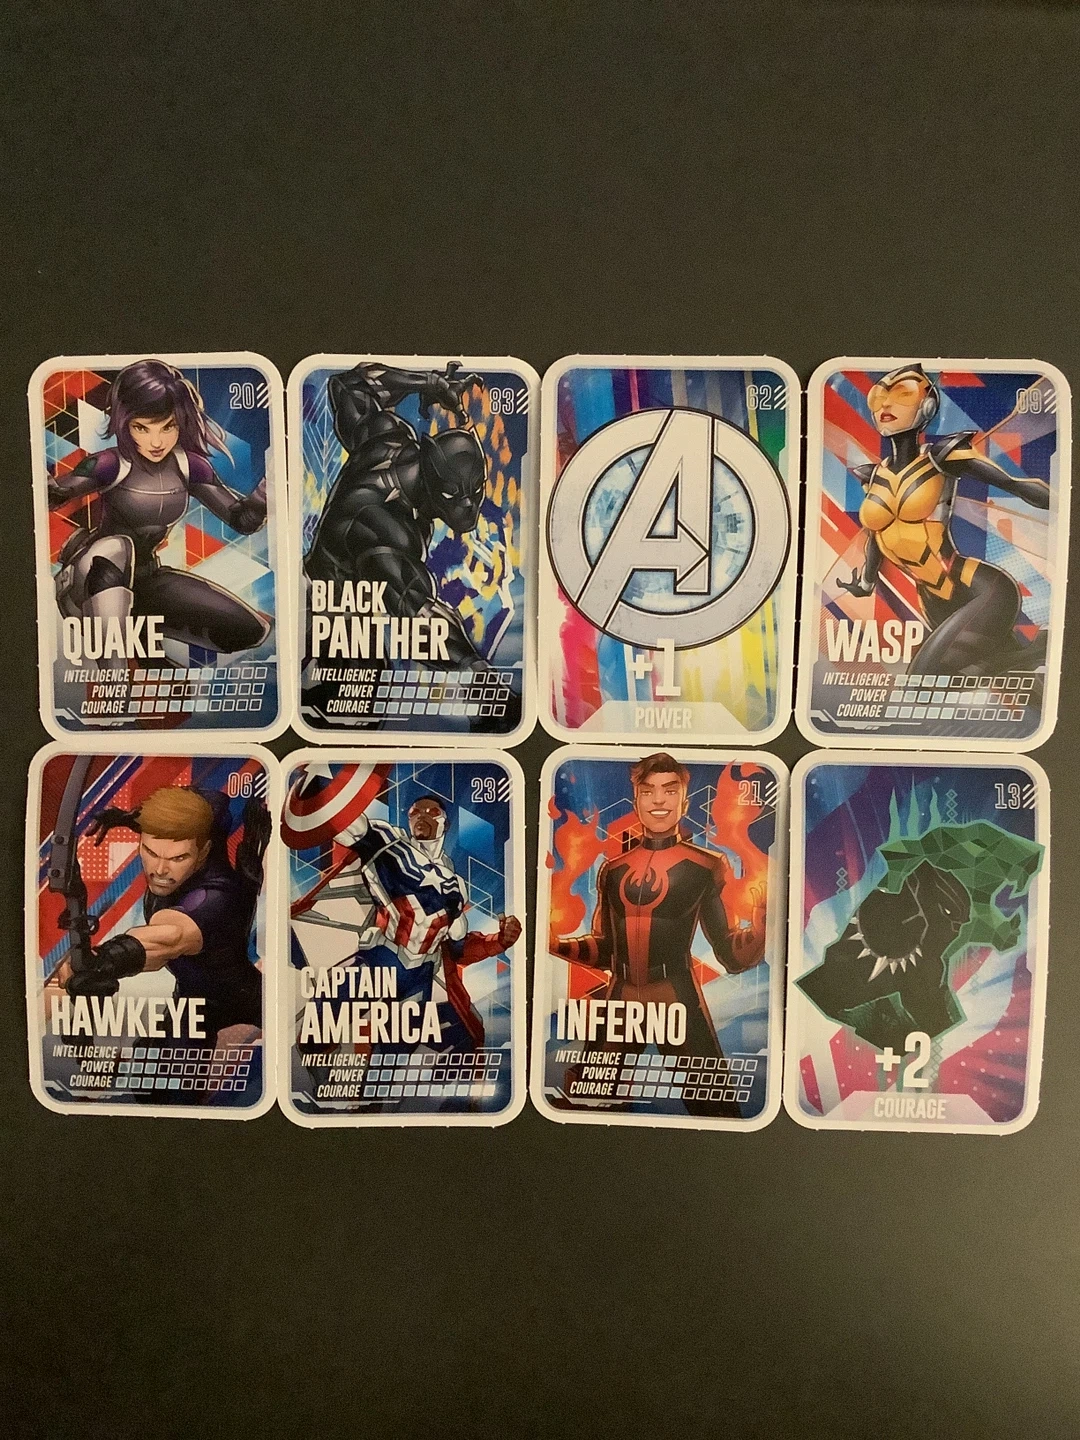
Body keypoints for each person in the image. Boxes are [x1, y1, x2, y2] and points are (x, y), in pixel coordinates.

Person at [550, 752, 764, 1114]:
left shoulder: (706, 866)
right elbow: (605, 949)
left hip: (674, 995)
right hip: (620, 998)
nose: (658, 800)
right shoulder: (613, 870)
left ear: (685, 802)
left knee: (715, 1110)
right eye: (648, 791)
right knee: (584, 1105)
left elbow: (730, 953)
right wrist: (555, 944)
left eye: (669, 790)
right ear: (636, 801)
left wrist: (761, 929)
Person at [48, 358, 270, 657]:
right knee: (116, 547)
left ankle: (140, 637)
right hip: (91, 579)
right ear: (125, 423)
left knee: (250, 630)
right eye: (142, 428)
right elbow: (60, 493)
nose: (156, 442)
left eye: (168, 427)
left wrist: (263, 494)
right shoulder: (110, 463)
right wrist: (48, 486)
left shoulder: (189, 467)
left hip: (145, 581)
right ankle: (113, 676)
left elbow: (243, 520)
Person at [838, 363, 1050, 675]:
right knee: (979, 674)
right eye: (879, 398)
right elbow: (876, 536)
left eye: (903, 394)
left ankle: (1039, 649)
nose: (886, 405)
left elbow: (1012, 484)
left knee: (926, 677)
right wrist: (867, 582)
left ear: (926, 405)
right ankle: (1034, 654)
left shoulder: (941, 456)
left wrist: (1060, 503)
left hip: (977, 587)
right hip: (934, 600)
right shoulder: (872, 475)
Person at [302, 361, 489, 667]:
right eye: (453, 495)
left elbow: (352, 385)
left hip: (345, 609)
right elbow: (418, 617)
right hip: (319, 615)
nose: (468, 507)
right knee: (364, 671)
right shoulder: (385, 525)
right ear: (432, 482)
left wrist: (429, 382)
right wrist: (477, 672)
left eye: (476, 491)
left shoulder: (388, 438)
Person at [62, 785, 270, 1046]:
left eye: (178, 858)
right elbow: (206, 801)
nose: (159, 870)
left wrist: (104, 960)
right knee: (157, 1061)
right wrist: (131, 818)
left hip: (246, 995)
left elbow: (169, 937)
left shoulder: (213, 897)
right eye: (150, 852)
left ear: (204, 851)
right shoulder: (208, 819)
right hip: (190, 1002)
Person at [340, 794, 521, 1049]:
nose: (422, 815)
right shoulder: (389, 843)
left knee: (395, 1053)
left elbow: (458, 946)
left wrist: (499, 941)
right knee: (326, 1010)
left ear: (446, 824)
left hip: (419, 974)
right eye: (415, 811)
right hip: (383, 959)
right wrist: (322, 792)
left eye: (432, 812)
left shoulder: (456, 886)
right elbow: (347, 824)